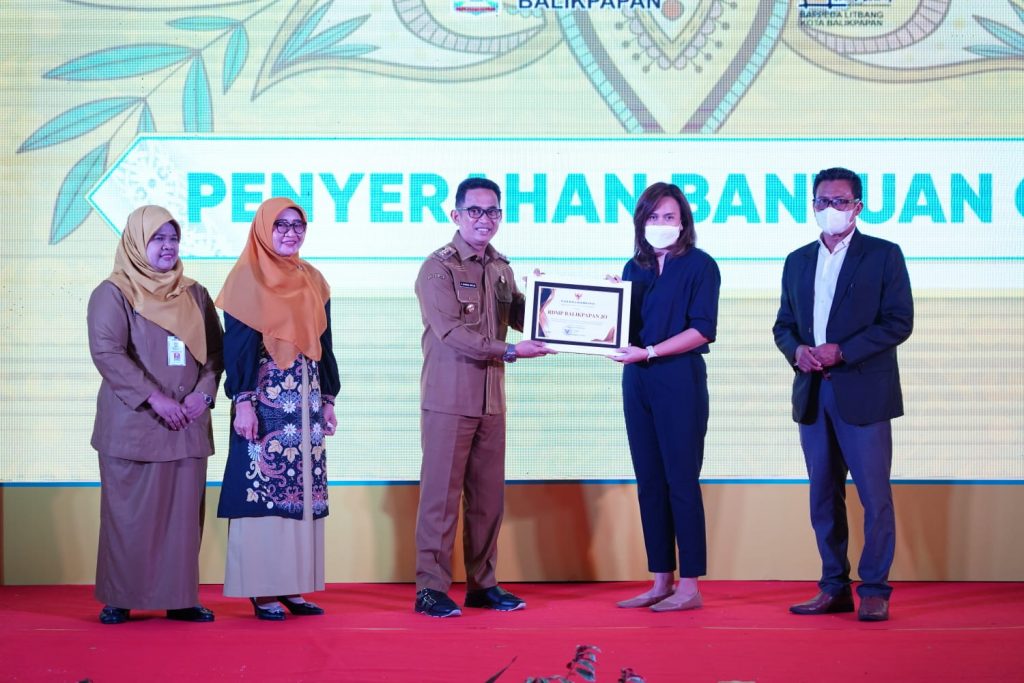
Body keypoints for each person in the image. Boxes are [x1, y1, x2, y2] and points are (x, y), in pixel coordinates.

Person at [773, 167, 913, 622]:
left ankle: (874, 589)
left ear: (858, 206)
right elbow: (783, 325)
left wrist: (843, 351)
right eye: (822, 201)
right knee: (823, 497)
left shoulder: (884, 255)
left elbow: (898, 322)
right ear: (812, 205)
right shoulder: (797, 260)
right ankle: (833, 586)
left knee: (875, 497)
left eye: (840, 201)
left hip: (863, 394)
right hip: (814, 394)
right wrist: (797, 351)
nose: (830, 209)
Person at [413, 177, 555, 618]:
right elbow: (452, 332)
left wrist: (563, 302)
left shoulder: (500, 267)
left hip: (491, 400)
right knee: (440, 499)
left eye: (492, 211)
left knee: (488, 500)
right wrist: (510, 350)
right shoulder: (437, 268)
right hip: (449, 399)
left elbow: (522, 315)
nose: (484, 219)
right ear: (455, 215)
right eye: (474, 211)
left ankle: (483, 584)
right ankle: (430, 589)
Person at [87, 205, 223, 625]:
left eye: (173, 238)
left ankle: (180, 597)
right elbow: (107, 352)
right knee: (128, 517)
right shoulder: (114, 292)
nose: (168, 246)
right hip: (135, 425)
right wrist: (155, 398)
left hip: (187, 425)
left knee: (181, 522)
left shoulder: (195, 294)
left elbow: (215, 353)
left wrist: (204, 394)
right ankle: (120, 597)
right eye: (157, 238)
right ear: (136, 242)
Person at [216, 197, 339, 621]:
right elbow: (237, 347)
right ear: (263, 229)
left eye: (297, 225)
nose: (290, 232)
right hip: (264, 403)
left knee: (301, 494)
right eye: (280, 225)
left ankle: (292, 585)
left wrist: (328, 398)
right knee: (262, 493)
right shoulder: (246, 278)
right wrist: (242, 402)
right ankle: (261, 587)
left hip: (306, 404)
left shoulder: (313, 279)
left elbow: (324, 343)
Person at [611, 182, 720, 613]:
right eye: (653, 217)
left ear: (683, 221)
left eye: (669, 217)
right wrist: (605, 305)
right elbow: (623, 329)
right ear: (641, 222)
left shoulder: (700, 265)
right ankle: (660, 580)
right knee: (649, 481)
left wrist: (653, 351)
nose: (661, 224)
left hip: (679, 378)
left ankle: (689, 585)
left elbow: (703, 329)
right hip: (637, 379)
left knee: (681, 480)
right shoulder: (633, 267)